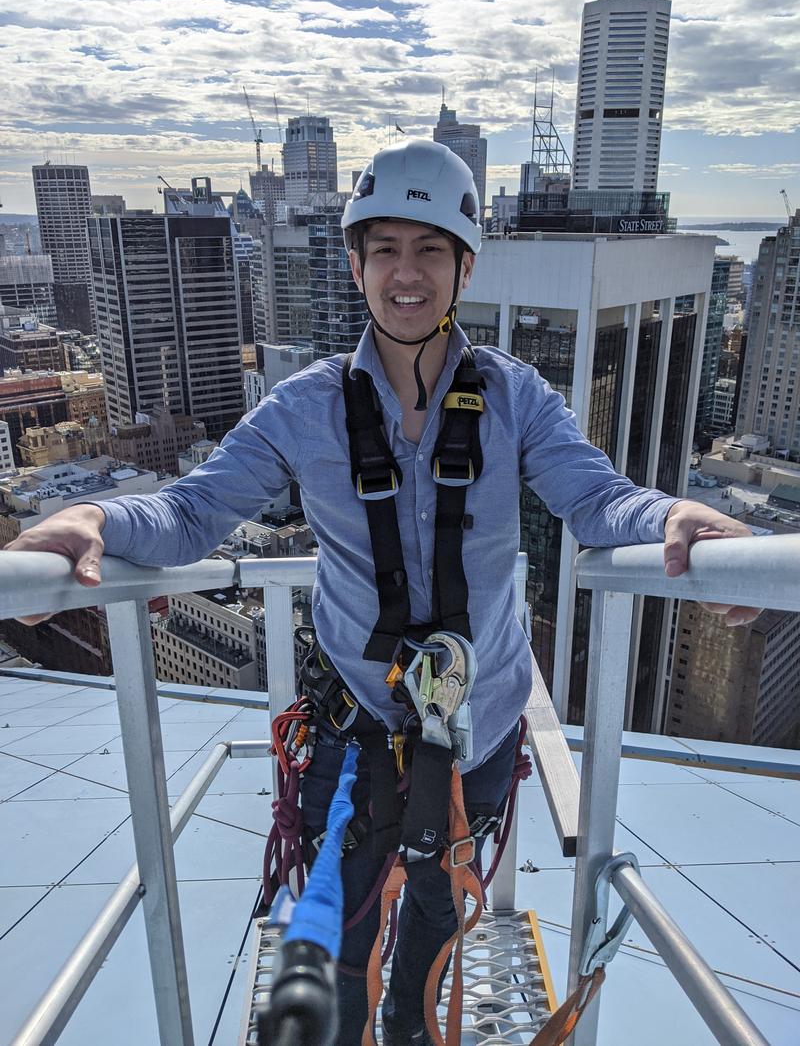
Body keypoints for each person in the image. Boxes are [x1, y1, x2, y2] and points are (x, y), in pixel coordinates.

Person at [5, 140, 757, 1046]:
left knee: (438, 912)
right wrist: (95, 521)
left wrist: (677, 516)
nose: (408, 274)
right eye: (386, 249)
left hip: (477, 730)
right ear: (355, 264)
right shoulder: (303, 408)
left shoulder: (518, 400)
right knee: (340, 927)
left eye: (431, 250)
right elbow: (196, 508)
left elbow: (598, 499)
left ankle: (409, 1031)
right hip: (358, 730)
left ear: (464, 265)